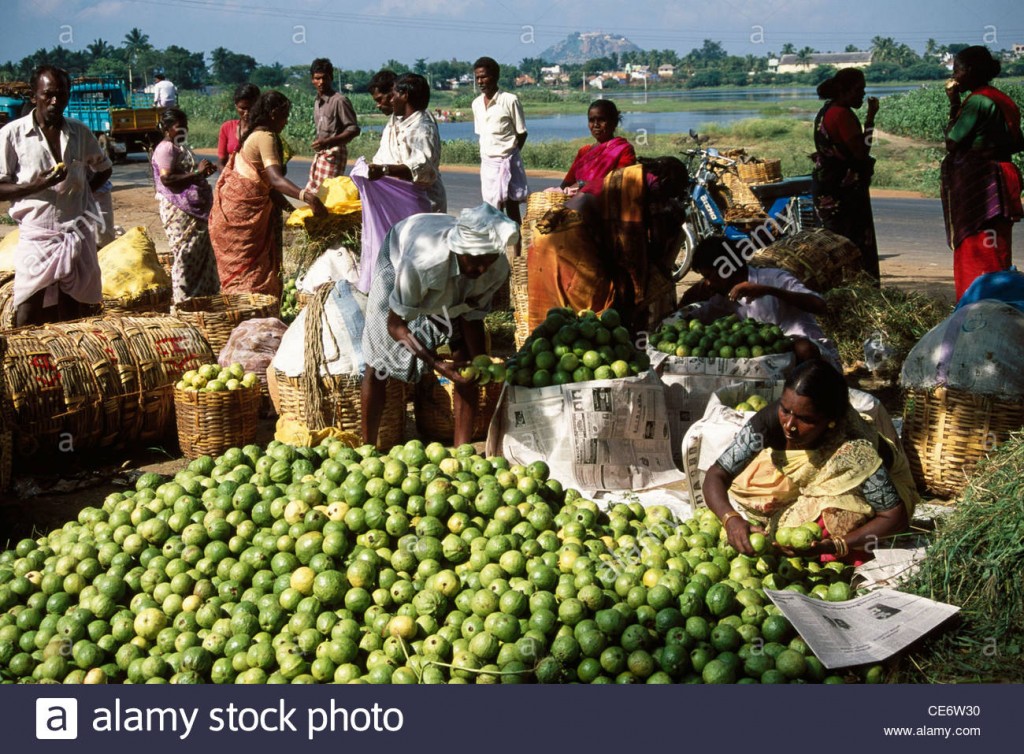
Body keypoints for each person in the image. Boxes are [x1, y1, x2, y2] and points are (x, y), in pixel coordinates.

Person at [703, 359, 919, 563]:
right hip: (814, 481)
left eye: (805, 419)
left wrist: (835, 545)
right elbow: (717, 475)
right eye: (785, 410)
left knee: (818, 527)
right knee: (751, 492)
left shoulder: (853, 447)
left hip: (884, 487)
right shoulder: (768, 424)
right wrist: (730, 518)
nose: (789, 425)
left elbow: (894, 517)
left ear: (831, 422)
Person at [361, 204, 518, 447]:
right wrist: (436, 363)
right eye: (475, 261)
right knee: (378, 365)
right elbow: (395, 325)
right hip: (400, 250)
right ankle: (367, 447)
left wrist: (480, 363)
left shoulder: (494, 268)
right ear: (458, 250)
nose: (481, 269)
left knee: (464, 359)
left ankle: (461, 450)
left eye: (488, 261)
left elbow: (471, 316)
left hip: (444, 282)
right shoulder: (423, 263)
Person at [0, 64, 112, 325]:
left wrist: (83, 193)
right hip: (38, 235)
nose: (55, 101)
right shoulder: (12, 135)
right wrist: (34, 185)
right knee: (29, 308)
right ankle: (30, 362)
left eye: (61, 95)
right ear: (33, 96)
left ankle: (70, 362)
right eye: (48, 94)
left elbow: (104, 169)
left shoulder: (79, 132)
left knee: (77, 311)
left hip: (77, 231)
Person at [527, 156, 688, 332]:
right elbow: (632, 248)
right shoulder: (637, 186)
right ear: (667, 184)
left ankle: (552, 341)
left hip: (547, 232)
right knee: (592, 302)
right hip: (569, 237)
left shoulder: (628, 177)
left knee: (558, 303)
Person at [209, 90, 326, 298]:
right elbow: (275, 180)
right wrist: (308, 197)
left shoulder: (255, 134)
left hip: (228, 215)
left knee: (245, 273)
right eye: (284, 116)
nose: (286, 121)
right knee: (248, 277)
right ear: (273, 114)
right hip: (241, 217)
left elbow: (268, 190)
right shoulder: (265, 137)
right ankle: (250, 316)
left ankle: (247, 315)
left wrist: (295, 212)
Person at [679, 236, 842, 369]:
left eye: (709, 276)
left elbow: (820, 305)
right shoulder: (722, 299)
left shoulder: (773, 278)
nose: (707, 283)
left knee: (802, 348)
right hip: (768, 367)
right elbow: (688, 317)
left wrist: (769, 290)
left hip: (813, 360)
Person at [941, 45, 1024, 301]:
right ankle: (999, 301)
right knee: (997, 248)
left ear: (971, 71)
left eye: (957, 69)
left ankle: (976, 306)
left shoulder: (978, 101)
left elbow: (953, 143)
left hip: (983, 184)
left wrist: (954, 104)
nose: (955, 76)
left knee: (978, 249)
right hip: (1003, 177)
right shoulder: (1002, 99)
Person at [353, 73, 447, 294]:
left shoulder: (422, 126)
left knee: (422, 260)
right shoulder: (394, 124)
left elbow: (421, 167)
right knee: (399, 261)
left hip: (421, 202)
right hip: (396, 204)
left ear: (404, 95)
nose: (389, 100)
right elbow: (383, 156)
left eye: (393, 94)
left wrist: (384, 170)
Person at [811, 68, 880, 282]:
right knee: (854, 243)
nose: (862, 94)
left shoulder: (826, 111)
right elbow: (861, 153)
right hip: (844, 191)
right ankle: (859, 289)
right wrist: (870, 120)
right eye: (858, 90)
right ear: (844, 91)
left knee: (836, 244)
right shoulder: (842, 114)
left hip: (827, 186)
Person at [152, 107, 220, 303]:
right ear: (166, 128)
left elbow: (185, 174)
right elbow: (168, 179)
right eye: (178, 127)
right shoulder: (166, 148)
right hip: (179, 211)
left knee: (199, 255)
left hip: (192, 211)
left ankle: (202, 300)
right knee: (186, 255)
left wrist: (202, 173)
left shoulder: (179, 147)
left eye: (185, 127)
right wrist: (197, 174)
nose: (183, 131)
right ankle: (184, 301)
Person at [472, 57, 528, 231]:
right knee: (492, 212)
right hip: (488, 164)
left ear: (495, 77)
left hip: (508, 161)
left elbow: (522, 133)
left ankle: (518, 254)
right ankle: (499, 254)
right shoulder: (476, 104)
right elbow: (482, 134)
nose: (480, 81)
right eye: (477, 77)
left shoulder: (510, 100)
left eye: (484, 77)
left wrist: (511, 155)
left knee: (512, 210)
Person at [559, 100, 636, 196]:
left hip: (604, 203)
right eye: (591, 120)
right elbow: (567, 182)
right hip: (575, 201)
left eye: (601, 120)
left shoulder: (624, 150)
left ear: (614, 122)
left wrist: (583, 184)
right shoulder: (584, 151)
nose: (596, 125)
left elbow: (617, 182)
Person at [306, 58, 360, 195]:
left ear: (331, 78)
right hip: (321, 153)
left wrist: (328, 142)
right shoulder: (317, 101)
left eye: (325, 78)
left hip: (334, 153)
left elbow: (353, 129)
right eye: (317, 78)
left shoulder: (339, 101)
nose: (321, 82)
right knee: (314, 192)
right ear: (312, 80)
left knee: (327, 194)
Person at [217, 83, 260, 171]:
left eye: (251, 108)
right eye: (242, 108)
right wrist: (229, 178)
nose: (247, 112)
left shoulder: (263, 130)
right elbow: (221, 162)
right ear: (236, 106)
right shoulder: (227, 127)